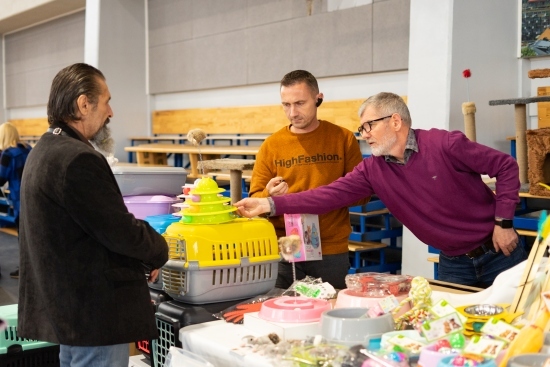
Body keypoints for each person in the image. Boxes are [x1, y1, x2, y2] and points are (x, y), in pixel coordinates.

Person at [237, 92, 527, 289]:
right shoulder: (372, 170)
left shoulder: (445, 145)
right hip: (453, 264)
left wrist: (504, 222)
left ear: (396, 121)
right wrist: (269, 205)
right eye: (362, 128)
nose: (365, 135)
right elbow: (327, 195)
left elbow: (506, 166)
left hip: (499, 252)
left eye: (369, 126)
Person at [17, 63, 168, 367]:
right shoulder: (78, 159)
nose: (110, 111)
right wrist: (157, 250)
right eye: (107, 100)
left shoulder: (44, 149)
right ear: (84, 104)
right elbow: (119, 230)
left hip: (69, 311)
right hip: (94, 312)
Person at [249, 70, 366, 290]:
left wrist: (326, 198)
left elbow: (362, 194)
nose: (292, 112)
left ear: (318, 99)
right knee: (282, 312)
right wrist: (269, 195)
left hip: (330, 249)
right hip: (285, 247)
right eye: (286, 104)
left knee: (327, 312)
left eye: (300, 103)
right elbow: (255, 199)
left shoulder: (343, 139)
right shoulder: (272, 145)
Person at [0, 122, 32, 278]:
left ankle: (25, 270)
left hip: (20, 199)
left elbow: (1, 178)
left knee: (23, 236)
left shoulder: (7, 154)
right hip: (34, 196)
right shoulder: (28, 149)